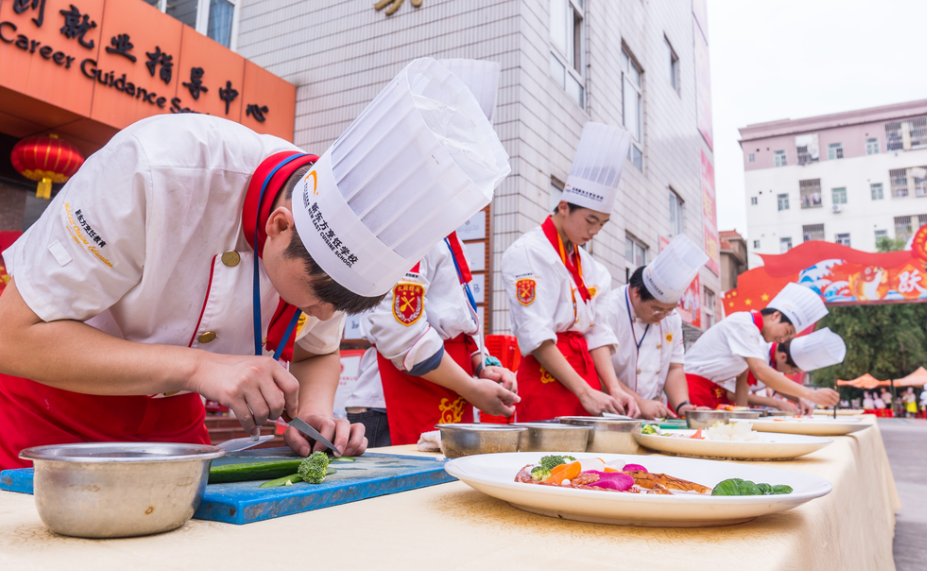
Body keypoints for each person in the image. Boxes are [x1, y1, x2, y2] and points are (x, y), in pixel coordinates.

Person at [0, 57, 511, 469]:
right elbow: (13, 338)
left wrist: (312, 414)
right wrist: (199, 366)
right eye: (319, 298)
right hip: (49, 417)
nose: (325, 317)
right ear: (279, 226)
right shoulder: (157, 168)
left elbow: (315, 355)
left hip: (176, 431)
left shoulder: (321, 261)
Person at [502, 122, 640, 421]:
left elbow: (597, 331)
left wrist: (613, 388)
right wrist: (584, 391)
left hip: (586, 379)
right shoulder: (527, 253)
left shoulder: (593, 269)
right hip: (546, 379)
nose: (595, 231)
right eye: (590, 220)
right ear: (564, 206)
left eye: (602, 224)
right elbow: (535, 334)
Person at [601, 235, 708, 420]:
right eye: (657, 309)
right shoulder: (610, 310)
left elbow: (674, 368)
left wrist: (683, 405)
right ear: (636, 293)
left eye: (669, 310)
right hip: (610, 413)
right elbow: (599, 369)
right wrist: (640, 403)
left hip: (650, 415)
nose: (663, 317)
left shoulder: (671, 318)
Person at [684, 283, 840, 409]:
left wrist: (743, 418)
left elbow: (742, 384)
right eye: (786, 331)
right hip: (693, 388)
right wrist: (810, 394)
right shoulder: (744, 325)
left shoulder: (755, 336)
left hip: (708, 392)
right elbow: (760, 371)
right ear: (776, 315)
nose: (781, 339)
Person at [719, 327, 847, 415]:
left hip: (732, 407)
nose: (792, 374)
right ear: (783, 357)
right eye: (794, 370)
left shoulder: (773, 360)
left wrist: (799, 399)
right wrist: (776, 403)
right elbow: (730, 393)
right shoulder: (758, 352)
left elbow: (778, 386)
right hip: (713, 398)